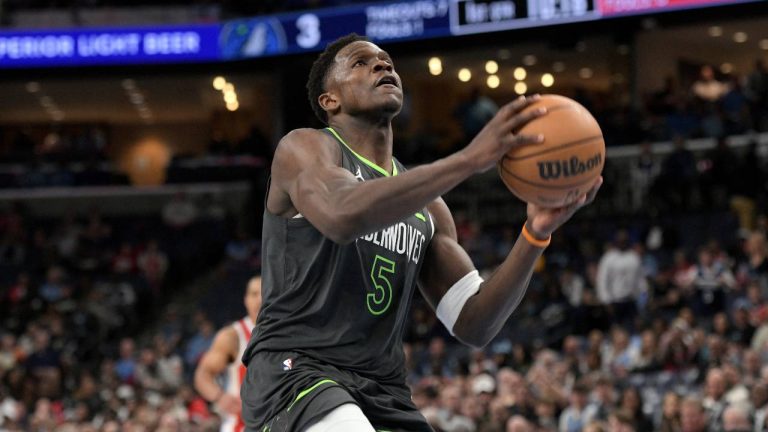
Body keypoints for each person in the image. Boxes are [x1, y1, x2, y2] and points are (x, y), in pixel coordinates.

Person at [240, 33, 602, 432]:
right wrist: (467, 160)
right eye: (361, 63)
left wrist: (534, 234)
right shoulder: (306, 148)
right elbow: (340, 216)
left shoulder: (429, 207)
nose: (383, 65)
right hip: (297, 372)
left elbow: (474, 322)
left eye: (386, 60)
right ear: (330, 100)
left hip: (383, 388)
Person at [194, 277, 262, 432]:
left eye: (264, 293)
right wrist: (219, 396)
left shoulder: (287, 331)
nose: (260, 299)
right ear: (246, 300)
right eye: (254, 294)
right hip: (244, 425)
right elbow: (202, 374)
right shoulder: (233, 336)